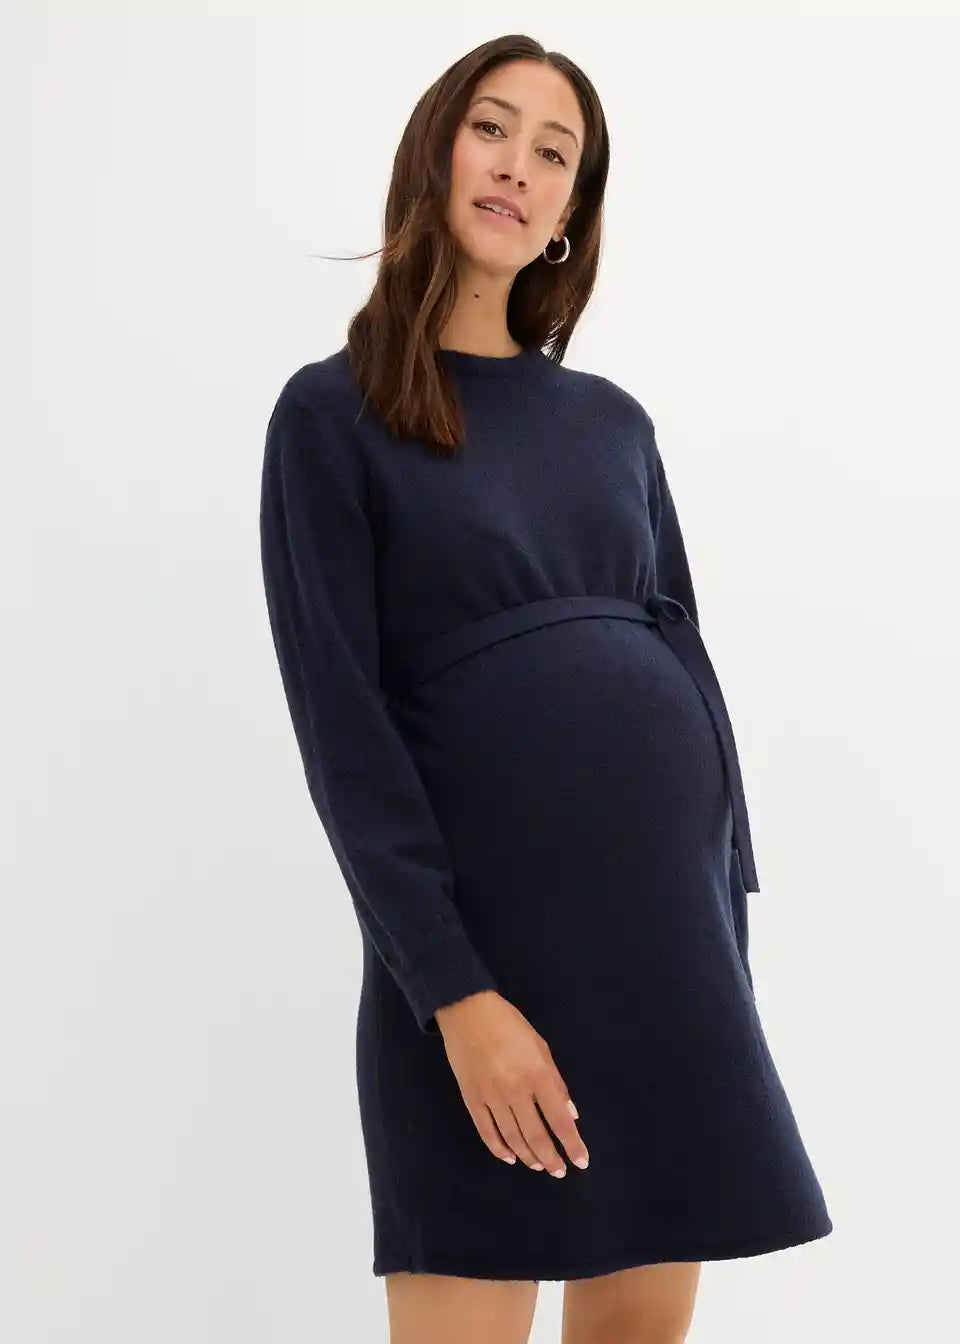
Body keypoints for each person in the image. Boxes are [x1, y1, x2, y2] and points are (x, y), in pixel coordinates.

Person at [258, 33, 833, 1344]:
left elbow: (682, 658)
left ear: (574, 213)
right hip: (481, 960)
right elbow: (343, 732)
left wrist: (722, 932)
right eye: (493, 128)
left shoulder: (615, 425)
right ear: (435, 150)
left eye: (556, 153)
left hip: (666, 950)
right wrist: (455, 995)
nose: (519, 165)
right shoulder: (333, 417)